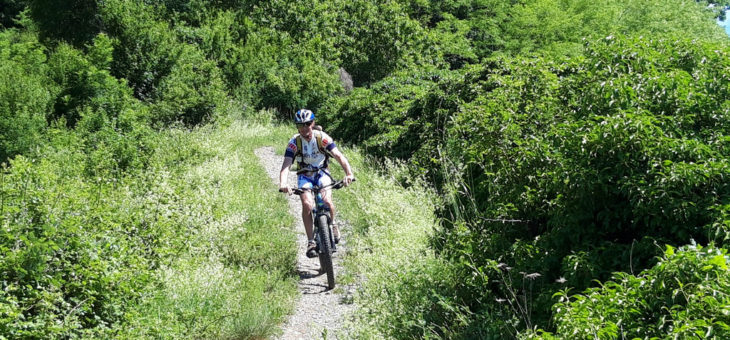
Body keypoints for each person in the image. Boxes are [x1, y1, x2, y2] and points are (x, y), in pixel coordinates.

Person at [279, 109, 355, 258]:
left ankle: (332, 225)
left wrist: (349, 174)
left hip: (322, 173)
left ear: (312, 123)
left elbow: (339, 156)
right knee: (307, 204)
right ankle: (310, 241)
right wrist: (283, 182)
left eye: (307, 124)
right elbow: (286, 165)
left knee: (327, 200)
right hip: (304, 176)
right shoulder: (294, 142)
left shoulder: (322, 138)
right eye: (300, 125)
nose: (304, 128)